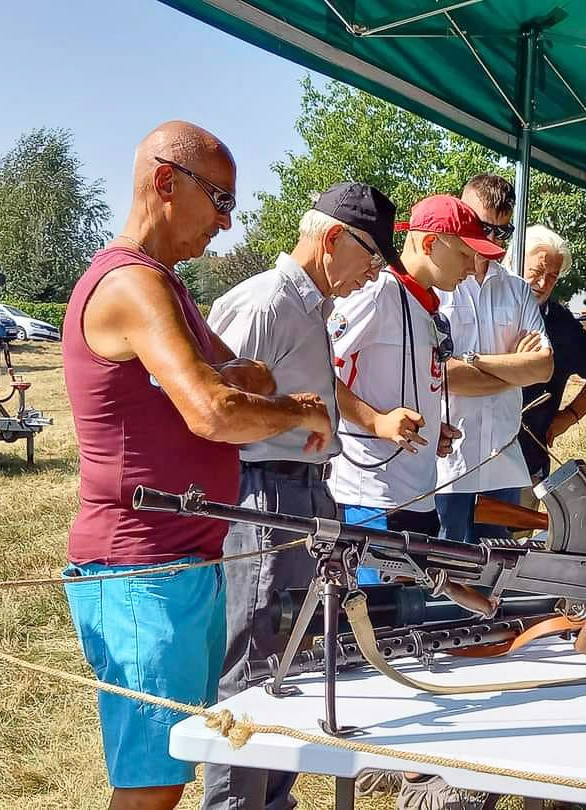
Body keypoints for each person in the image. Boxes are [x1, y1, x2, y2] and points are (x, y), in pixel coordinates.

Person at [60, 121, 332, 810]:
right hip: (140, 569)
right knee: (152, 786)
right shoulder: (132, 285)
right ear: (163, 182)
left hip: (178, 564)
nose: (226, 222)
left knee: (172, 769)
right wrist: (299, 408)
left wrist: (239, 379)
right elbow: (214, 409)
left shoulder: (166, 287)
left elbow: (240, 374)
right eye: (218, 199)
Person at [201, 183, 400, 810]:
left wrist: (322, 422)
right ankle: (236, 804)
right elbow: (215, 411)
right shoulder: (264, 302)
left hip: (306, 492)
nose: (372, 274)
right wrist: (295, 420)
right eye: (370, 256)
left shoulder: (310, 306)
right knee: (253, 652)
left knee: (295, 653)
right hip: (261, 494)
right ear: (332, 237)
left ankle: (273, 797)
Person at [328, 194, 506, 573]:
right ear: (429, 244)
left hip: (418, 494)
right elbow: (318, 369)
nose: (473, 266)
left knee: (407, 620)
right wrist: (376, 421)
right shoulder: (376, 294)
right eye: (463, 254)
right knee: (376, 621)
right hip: (373, 498)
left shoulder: (424, 306)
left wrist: (427, 428)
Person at [435, 174, 554, 542]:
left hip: (501, 458)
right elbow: (442, 373)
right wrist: (512, 369)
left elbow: (543, 369)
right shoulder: (439, 288)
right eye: (484, 228)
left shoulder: (518, 291)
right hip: (448, 463)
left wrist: (471, 360)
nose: (493, 240)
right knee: (446, 574)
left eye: (504, 231)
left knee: (496, 578)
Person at [517, 225, 586, 495]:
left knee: (517, 538)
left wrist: (568, 417)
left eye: (552, 277)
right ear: (513, 260)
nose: (542, 284)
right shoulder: (484, 303)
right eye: (536, 272)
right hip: (469, 462)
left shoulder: (561, 324)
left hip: (527, 464)